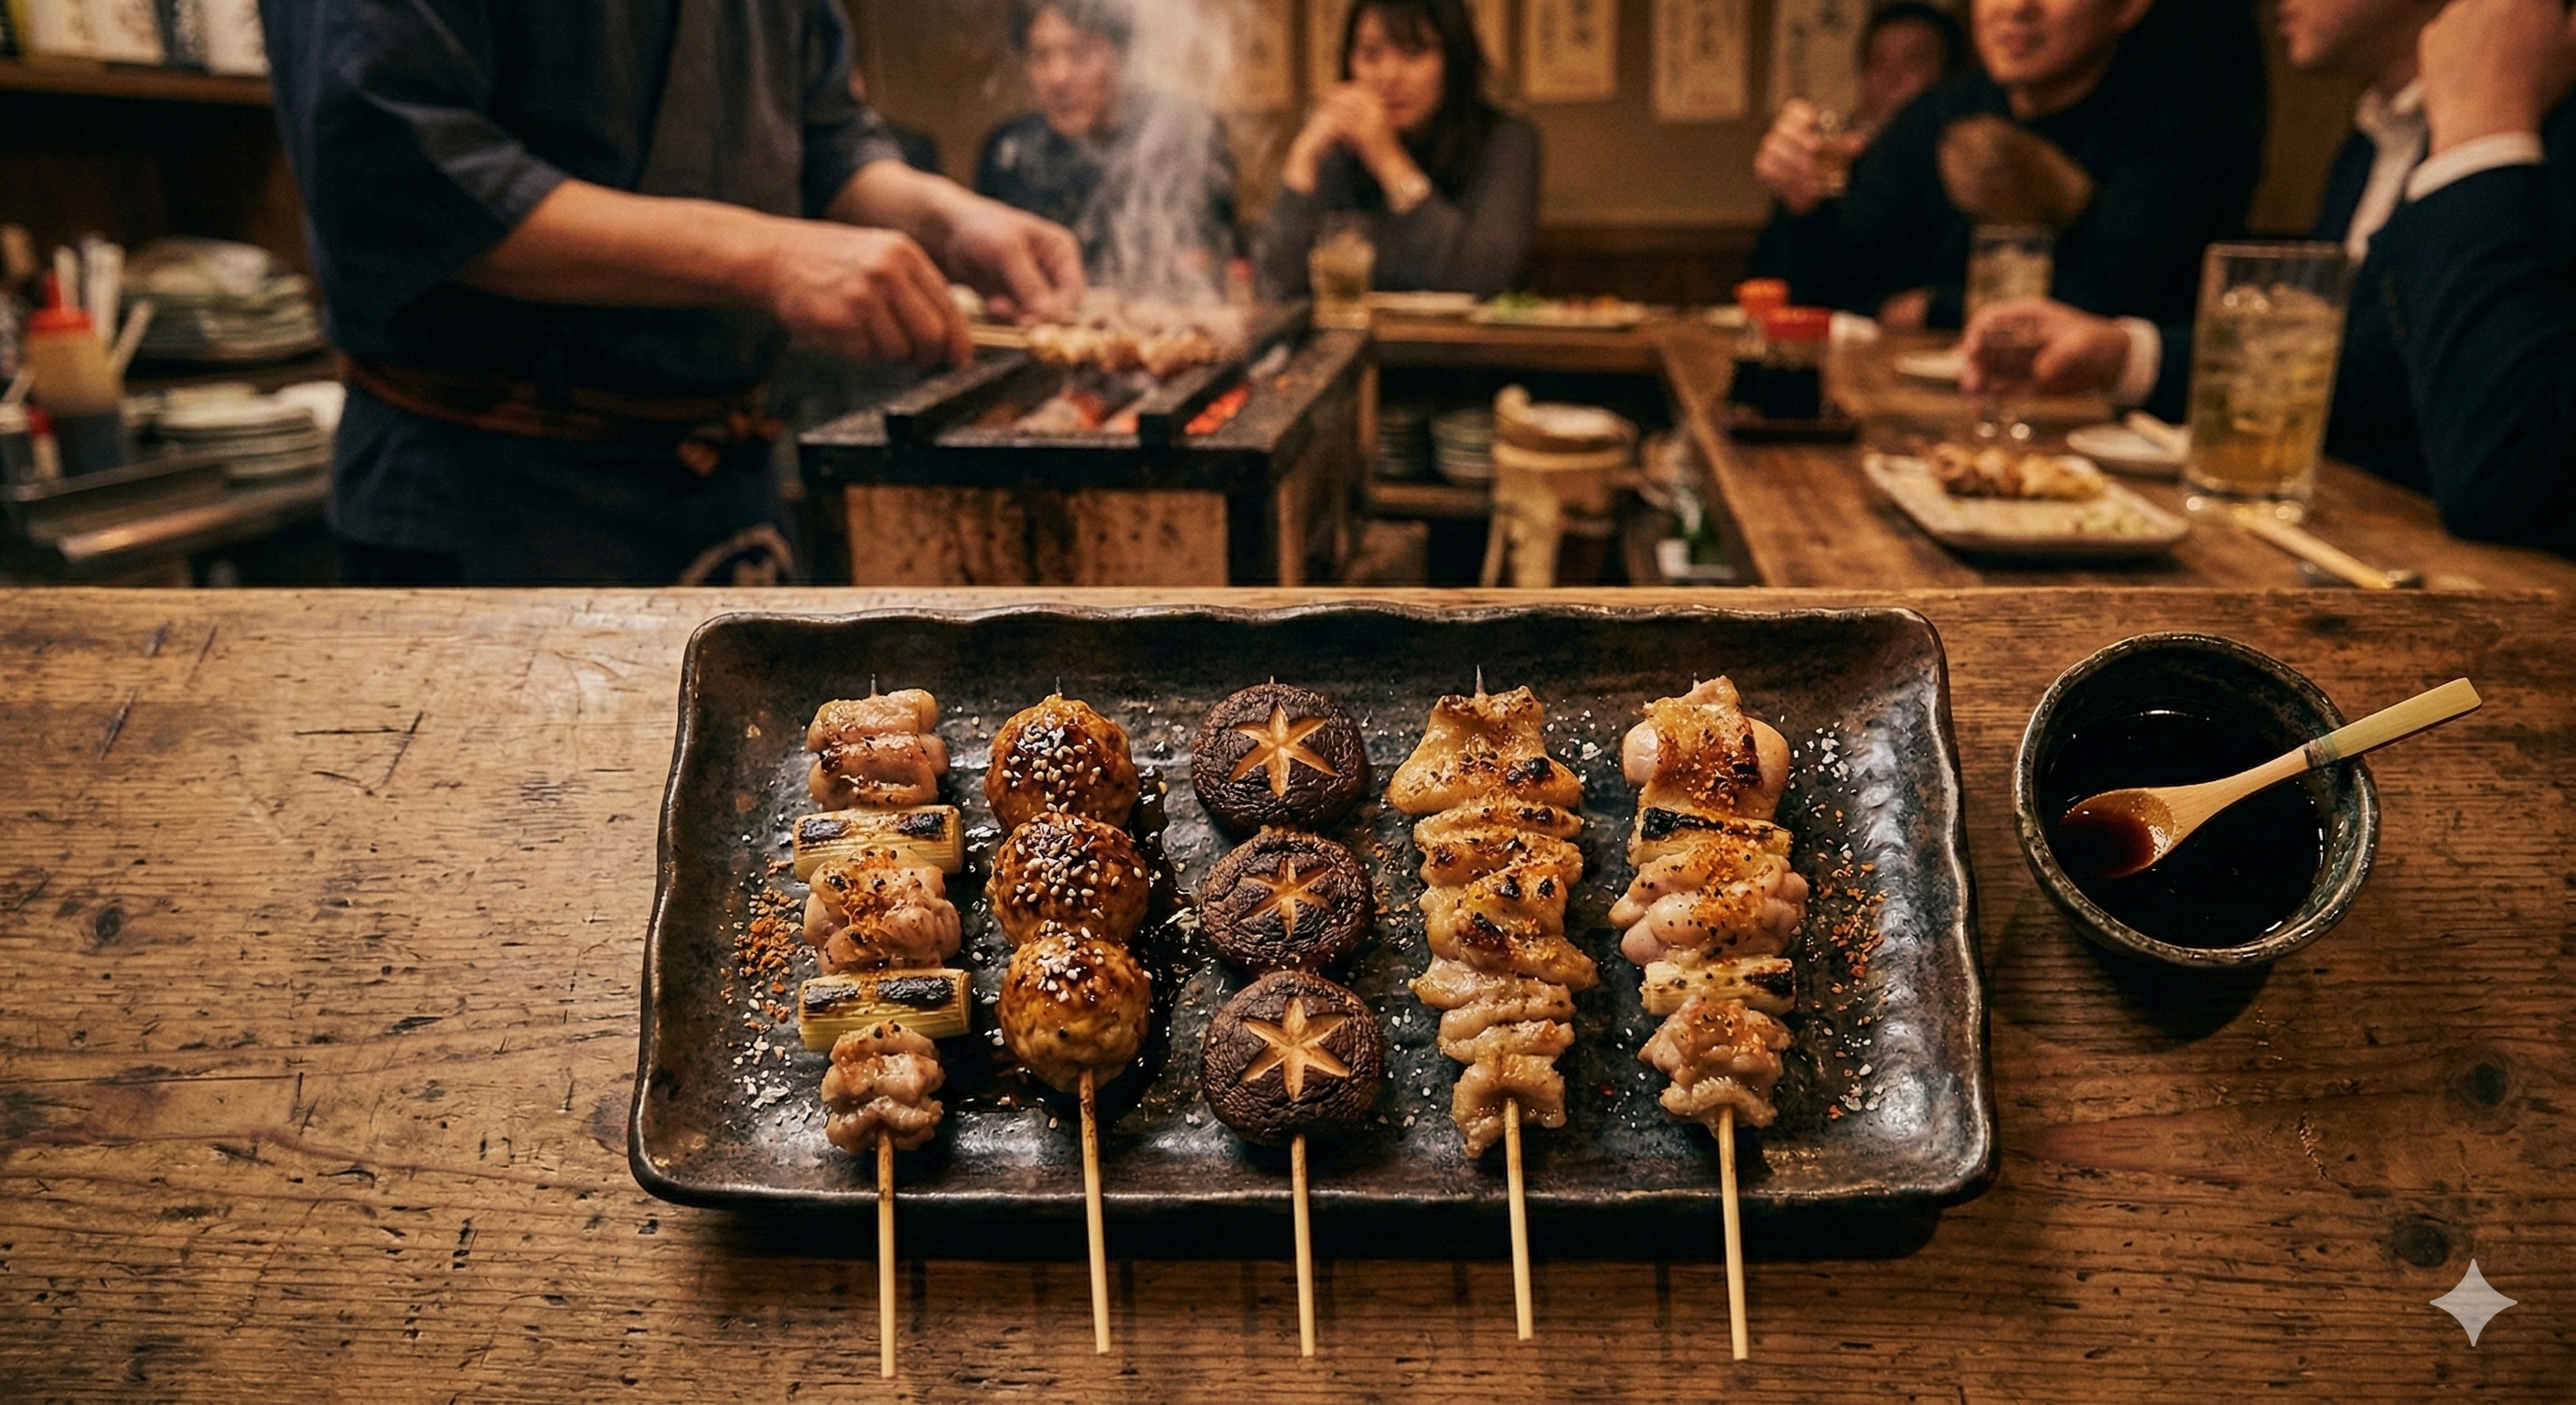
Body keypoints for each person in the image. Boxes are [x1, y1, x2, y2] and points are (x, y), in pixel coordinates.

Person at [258, 0, 1084, 586]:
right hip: (497, 493)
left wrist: (948, 219)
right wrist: (765, 256)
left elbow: (825, 138)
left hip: (726, 480)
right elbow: (391, 170)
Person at [1963, 0, 2576, 556]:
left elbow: (2513, 479)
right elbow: (2370, 377)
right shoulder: (2378, 134)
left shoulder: (2522, 127)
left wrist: (2482, 126)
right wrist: (2125, 354)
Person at [1766, 0, 2263, 330]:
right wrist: (1800, 206)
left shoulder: (2176, 119)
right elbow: (1831, 291)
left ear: (2129, 7)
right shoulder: (1935, 117)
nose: (2018, 8)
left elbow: (2119, 297)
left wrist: (1932, 306)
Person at [1256, 0, 1540, 299]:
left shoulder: (1505, 140)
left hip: (1461, 346)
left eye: (1412, 52)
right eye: (1370, 54)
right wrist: (1303, 158)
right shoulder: (1338, 150)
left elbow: (1477, 278)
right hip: (1348, 342)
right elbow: (1274, 284)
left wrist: (1387, 159)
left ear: (1454, 59)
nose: (1389, 75)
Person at [975, 0, 1240, 293]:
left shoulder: (1182, 136)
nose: (1058, 77)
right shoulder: (1008, 152)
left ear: (1124, 56)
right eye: (1041, 57)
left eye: (1080, 54)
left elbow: (1203, 266)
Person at [1747, 2, 1971, 306]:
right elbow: (1788, 292)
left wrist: (1932, 307)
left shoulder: (1967, 172)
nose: (1890, 77)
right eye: (1877, 62)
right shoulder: (1840, 163)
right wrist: (1798, 209)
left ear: (1950, 77)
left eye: (1914, 62)